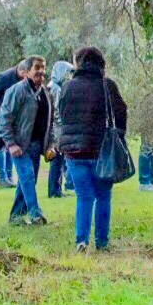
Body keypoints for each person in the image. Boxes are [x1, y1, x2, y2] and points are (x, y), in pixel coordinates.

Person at [52, 46, 129, 252]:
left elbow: (62, 114)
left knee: (84, 195)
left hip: (73, 151)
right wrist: (118, 134)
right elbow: (121, 111)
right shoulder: (107, 85)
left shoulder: (67, 87)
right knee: (103, 195)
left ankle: (81, 240)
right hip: (100, 149)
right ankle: (102, 242)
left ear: (78, 63)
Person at [0, 56, 53, 225]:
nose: (41, 71)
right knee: (27, 176)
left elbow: (52, 122)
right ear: (27, 72)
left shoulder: (45, 94)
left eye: (43, 67)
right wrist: (11, 144)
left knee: (27, 180)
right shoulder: (16, 91)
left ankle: (16, 217)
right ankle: (36, 214)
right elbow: (3, 120)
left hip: (36, 145)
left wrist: (51, 145)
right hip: (19, 145)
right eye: (37, 68)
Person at [0, 60, 27, 187]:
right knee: (1, 147)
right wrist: (1, 109)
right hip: (0, 118)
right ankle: (2, 178)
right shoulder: (5, 77)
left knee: (10, 147)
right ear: (21, 70)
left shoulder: (21, 79)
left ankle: (10, 177)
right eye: (25, 74)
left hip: (13, 118)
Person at [45, 60, 74, 198]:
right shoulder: (55, 89)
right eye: (68, 73)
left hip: (57, 128)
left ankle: (57, 189)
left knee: (59, 160)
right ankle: (54, 190)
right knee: (57, 160)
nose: (69, 77)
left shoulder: (54, 86)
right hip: (58, 130)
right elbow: (57, 111)